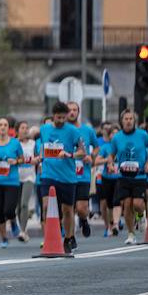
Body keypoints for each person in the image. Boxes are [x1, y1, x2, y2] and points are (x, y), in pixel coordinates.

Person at [37, 101, 86, 252]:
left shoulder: (72, 131)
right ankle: (49, 237)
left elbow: (82, 152)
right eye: (58, 118)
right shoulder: (44, 129)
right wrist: (39, 159)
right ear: (53, 116)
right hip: (48, 174)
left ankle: (68, 238)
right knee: (46, 206)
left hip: (67, 177)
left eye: (63, 118)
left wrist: (69, 154)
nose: (61, 121)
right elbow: (43, 148)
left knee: (67, 210)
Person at [0, 118, 25, 247]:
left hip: (12, 182)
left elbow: (22, 159)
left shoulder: (15, 143)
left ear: (9, 128)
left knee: (9, 210)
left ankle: (13, 222)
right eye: (0, 125)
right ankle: (4, 238)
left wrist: (16, 162)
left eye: (5, 125)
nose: (2, 127)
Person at [111, 110, 148, 244]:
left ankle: (141, 215)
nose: (128, 121)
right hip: (124, 175)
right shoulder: (117, 138)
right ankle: (131, 233)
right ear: (122, 121)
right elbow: (112, 154)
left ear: (134, 121)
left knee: (138, 204)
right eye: (126, 119)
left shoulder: (143, 135)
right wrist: (111, 164)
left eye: (131, 119)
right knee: (127, 205)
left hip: (139, 175)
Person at [66, 102, 98, 239]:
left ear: (78, 112)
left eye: (75, 110)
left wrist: (91, 156)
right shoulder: (63, 131)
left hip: (83, 175)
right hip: (67, 175)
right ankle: (71, 238)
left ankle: (84, 220)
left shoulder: (87, 130)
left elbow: (96, 147)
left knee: (80, 208)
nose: (72, 112)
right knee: (69, 209)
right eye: (69, 110)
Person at [16, 124, 39, 239]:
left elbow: (38, 158)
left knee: (24, 204)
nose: (25, 130)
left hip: (29, 177)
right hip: (16, 177)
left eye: (26, 128)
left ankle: (23, 230)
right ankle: (22, 230)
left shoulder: (33, 144)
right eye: (22, 128)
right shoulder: (15, 143)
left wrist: (36, 160)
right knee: (18, 207)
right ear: (17, 131)